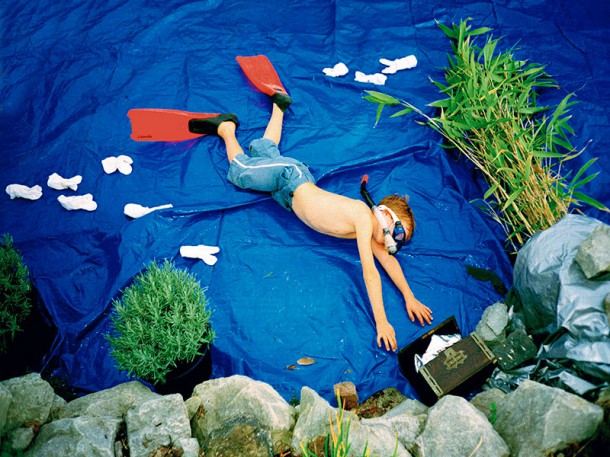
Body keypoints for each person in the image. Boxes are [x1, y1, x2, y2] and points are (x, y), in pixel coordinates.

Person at [197, 97, 433, 351]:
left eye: (401, 241)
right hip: (288, 177)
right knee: (242, 171)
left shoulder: (370, 232)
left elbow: (388, 261)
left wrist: (410, 297)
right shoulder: (364, 218)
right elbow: (370, 273)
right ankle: (226, 129)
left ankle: (278, 107)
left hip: (288, 191)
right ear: (385, 215)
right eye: (399, 232)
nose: (395, 242)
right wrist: (382, 322)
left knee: (266, 152)